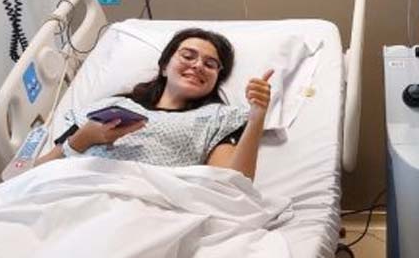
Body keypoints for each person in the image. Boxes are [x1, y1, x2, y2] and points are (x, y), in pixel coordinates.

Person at [34, 28, 272, 180]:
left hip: (150, 206)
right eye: (188, 56)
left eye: (210, 65)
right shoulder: (109, 106)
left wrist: (256, 117)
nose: (198, 65)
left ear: (216, 80)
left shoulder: (217, 119)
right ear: (164, 66)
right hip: (77, 191)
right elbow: (34, 173)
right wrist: (82, 139)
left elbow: (232, 185)